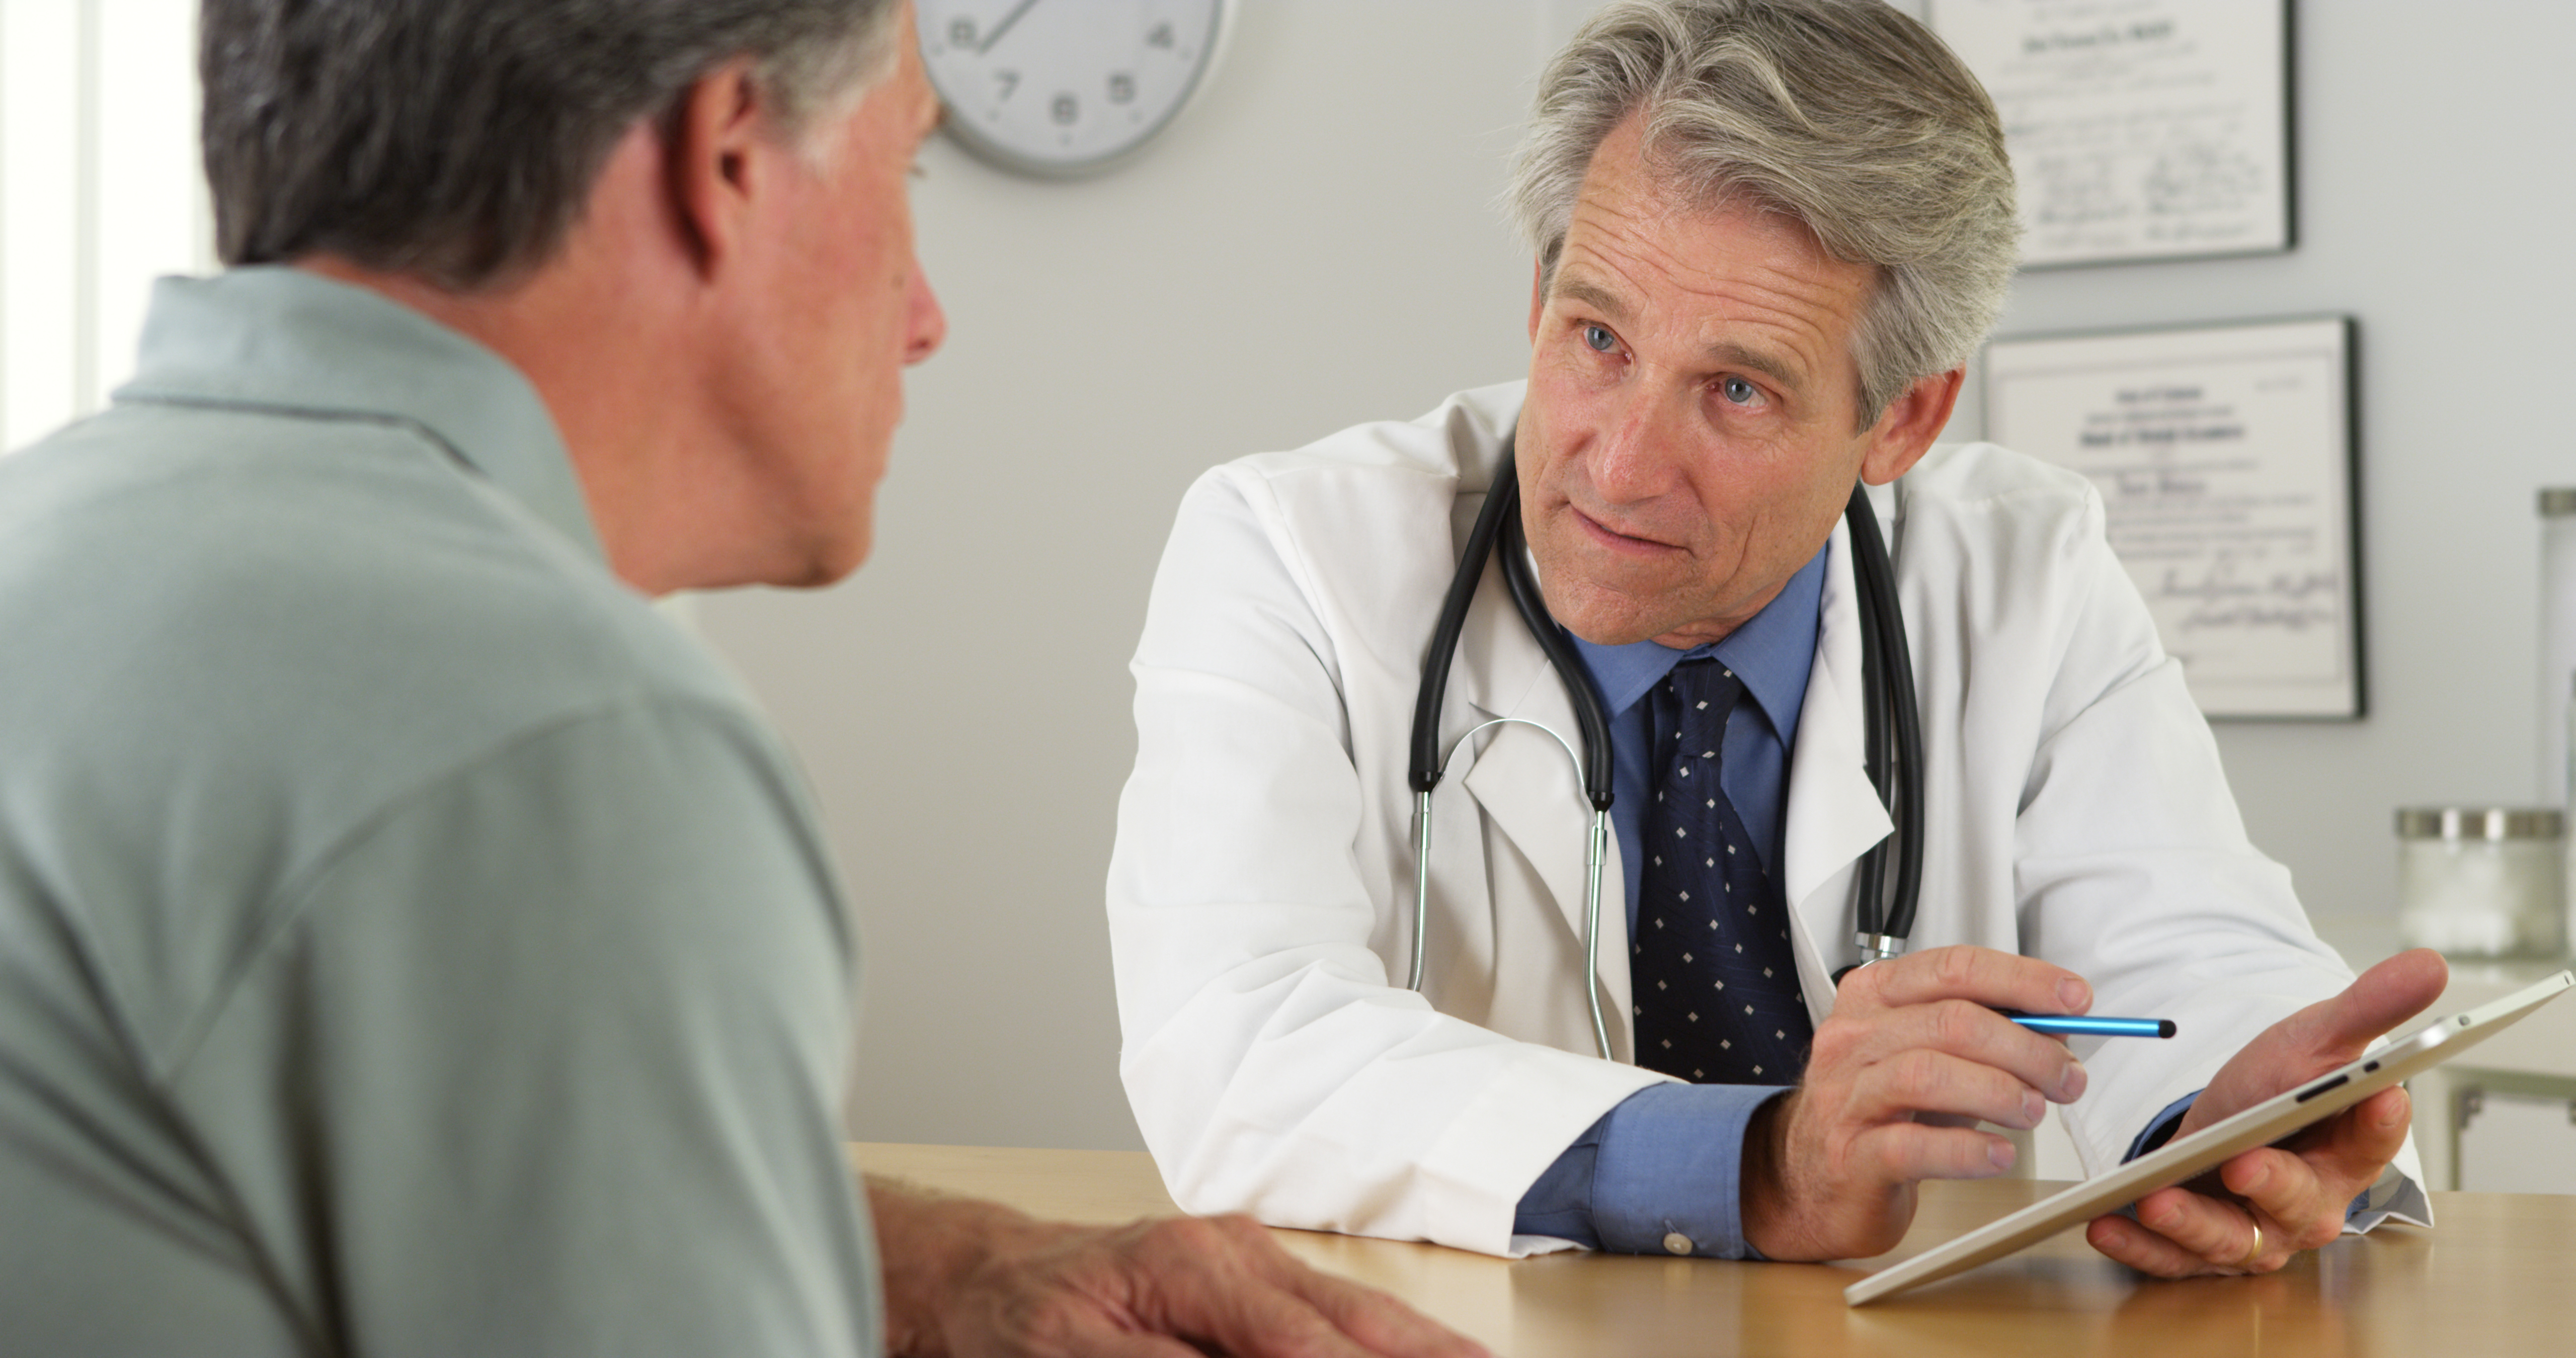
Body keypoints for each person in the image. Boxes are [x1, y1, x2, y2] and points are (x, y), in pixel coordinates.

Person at [0, 3, 1488, 1355]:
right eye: (904, 172)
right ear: (723, 161)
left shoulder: (58, 541)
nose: (926, 314)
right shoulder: (566, 740)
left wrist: (943, 1266)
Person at [1108, 0, 2446, 1274]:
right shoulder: (1287, 550)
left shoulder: (2026, 572)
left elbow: (2190, 952)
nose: (1621, 467)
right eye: (1595, 337)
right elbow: (1232, 1038)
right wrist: (1752, 1164)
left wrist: (2236, 1131)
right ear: (1536, 299)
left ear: (1906, 421)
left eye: (1736, 387)